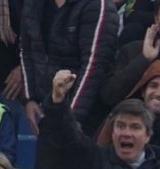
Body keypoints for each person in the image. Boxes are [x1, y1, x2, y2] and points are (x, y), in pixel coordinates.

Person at [18, 0, 118, 134]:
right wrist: (29, 98)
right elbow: (26, 50)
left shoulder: (98, 5)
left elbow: (94, 65)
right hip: (47, 106)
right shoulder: (33, 4)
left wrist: (74, 116)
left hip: (86, 113)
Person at [96, 58, 160, 169]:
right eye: (153, 86)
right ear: (143, 91)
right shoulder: (117, 120)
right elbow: (98, 160)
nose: (158, 93)